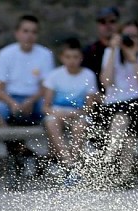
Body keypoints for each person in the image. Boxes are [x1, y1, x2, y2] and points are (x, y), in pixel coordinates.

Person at [0, 14, 55, 190]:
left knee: (52, 117)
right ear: (17, 33)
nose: (29, 35)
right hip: (10, 99)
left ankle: (54, 161)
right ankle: (23, 152)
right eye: (25, 31)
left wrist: (31, 100)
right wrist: (13, 103)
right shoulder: (6, 54)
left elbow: (47, 87)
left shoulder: (45, 55)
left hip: (36, 99)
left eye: (33, 32)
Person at [99, 20, 138, 188]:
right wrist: (112, 51)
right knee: (125, 125)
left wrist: (133, 58)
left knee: (124, 118)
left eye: (134, 36)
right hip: (115, 105)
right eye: (127, 36)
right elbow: (106, 82)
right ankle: (124, 175)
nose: (131, 39)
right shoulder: (110, 52)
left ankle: (108, 160)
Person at [41, 38, 98, 184]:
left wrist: (76, 113)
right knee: (51, 122)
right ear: (62, 58)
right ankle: (70, 165)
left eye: (75, 57)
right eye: (68, 57)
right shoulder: (54, 75)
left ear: (81, 58)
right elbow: (46, 106)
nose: (71, 61)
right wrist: (58, 113)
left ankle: (69, 167)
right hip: (57, 112)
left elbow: (89, 106)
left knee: (80, 127)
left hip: (79, 113)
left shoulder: (88, 75)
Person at [82, 6, 120, 90]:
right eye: (103, 22)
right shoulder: (89, 51)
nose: (108, 25)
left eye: (112, 21)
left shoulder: (126, 48)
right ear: (97, 25)